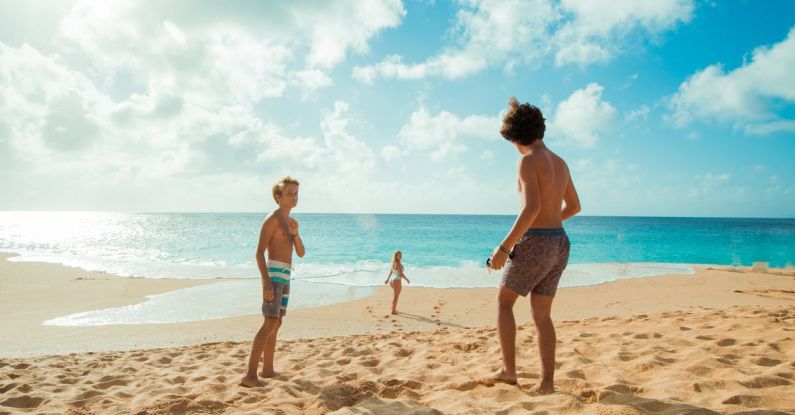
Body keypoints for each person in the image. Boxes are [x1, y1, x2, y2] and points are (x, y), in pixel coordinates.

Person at [487, 97, 581, 394]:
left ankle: (509, 371)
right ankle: (547, 383)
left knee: (504, 302)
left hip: (538, 242)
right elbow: (574, 206)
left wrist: (504, 248)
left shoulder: (527, 161)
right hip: (560, 243)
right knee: (542, 315)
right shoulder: (561, 161)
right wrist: (552, 224)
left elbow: (531, 208)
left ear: (515, 137)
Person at [241, 176, 305, 388]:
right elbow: (259, 253)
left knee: (276, 323)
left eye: (296, 193)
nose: (294, 197)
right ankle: (250, 375)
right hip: (274, 276)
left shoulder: (290, 222)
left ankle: (267, 369)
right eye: (289, 194)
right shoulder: (273, 220)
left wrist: (295, 233)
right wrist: (266, 283)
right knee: (269, 321)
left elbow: (301, 253)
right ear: (278, 197)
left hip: (286, 275)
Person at [384, 250, 411, 315]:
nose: (400, 257)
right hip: (396, 280)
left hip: (392, 280)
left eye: (401, 255)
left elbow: (391, 271)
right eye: (399, 255)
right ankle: (393, 311)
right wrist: (407, 279)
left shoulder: (394, 262)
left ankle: (393, 308)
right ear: (396, 256)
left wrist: (387, 279)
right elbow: (401, 274)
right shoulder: (398, 264)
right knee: (396, 296)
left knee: (395, 295)